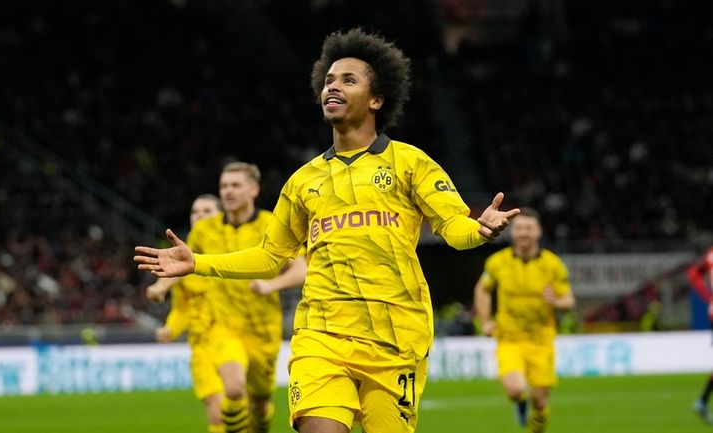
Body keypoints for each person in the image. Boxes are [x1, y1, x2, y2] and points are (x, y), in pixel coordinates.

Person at [135, 27, 519, 433]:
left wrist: (479, 231)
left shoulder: (410, 163)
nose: (332, 86)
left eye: (348, 80)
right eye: (329, 80)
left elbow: (452, 226)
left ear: (376, 99)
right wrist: (198, 262)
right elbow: (270, 256)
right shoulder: (304, 180)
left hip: (396, 334)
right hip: (322, 332)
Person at [148, 164, 307, 433]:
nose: (228, 191)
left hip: (262, 330)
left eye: (235, 185)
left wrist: (273, 285)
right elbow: (186, 264)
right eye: (224, 186)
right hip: (223, 328)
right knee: (233, 389)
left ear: (254, 189)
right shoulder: (204, 230)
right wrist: (162, 286)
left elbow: (302, 268)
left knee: (259, 405)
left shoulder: (271, 223)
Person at [473, 208, 575, 433]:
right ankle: (520, 402)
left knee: (540, 402)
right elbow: (483, 289)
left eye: (528, 228)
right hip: (509, 338)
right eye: (519, 228)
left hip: (541, 340)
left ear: (538, 232)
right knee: (515, 389)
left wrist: (555, 302)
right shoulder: (498, 262)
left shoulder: (552, 264)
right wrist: (486, 320)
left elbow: (568, 300)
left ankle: (535, 427)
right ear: (512, 232)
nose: (523, 233)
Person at [146, 194, 225, 433]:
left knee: (240, 405)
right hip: (202, 344)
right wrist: (171, 328)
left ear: (221, 216)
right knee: (215, 405)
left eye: (207, 211)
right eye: (195, 211)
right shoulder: (178, 256)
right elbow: (182, 307)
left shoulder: (234, 249)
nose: (199, 215)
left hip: (235, 336)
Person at [688, 246, 713, 424]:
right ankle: (702, 401)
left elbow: (693, 273)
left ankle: (702, 401)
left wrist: (709, 298)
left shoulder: (710, 255)